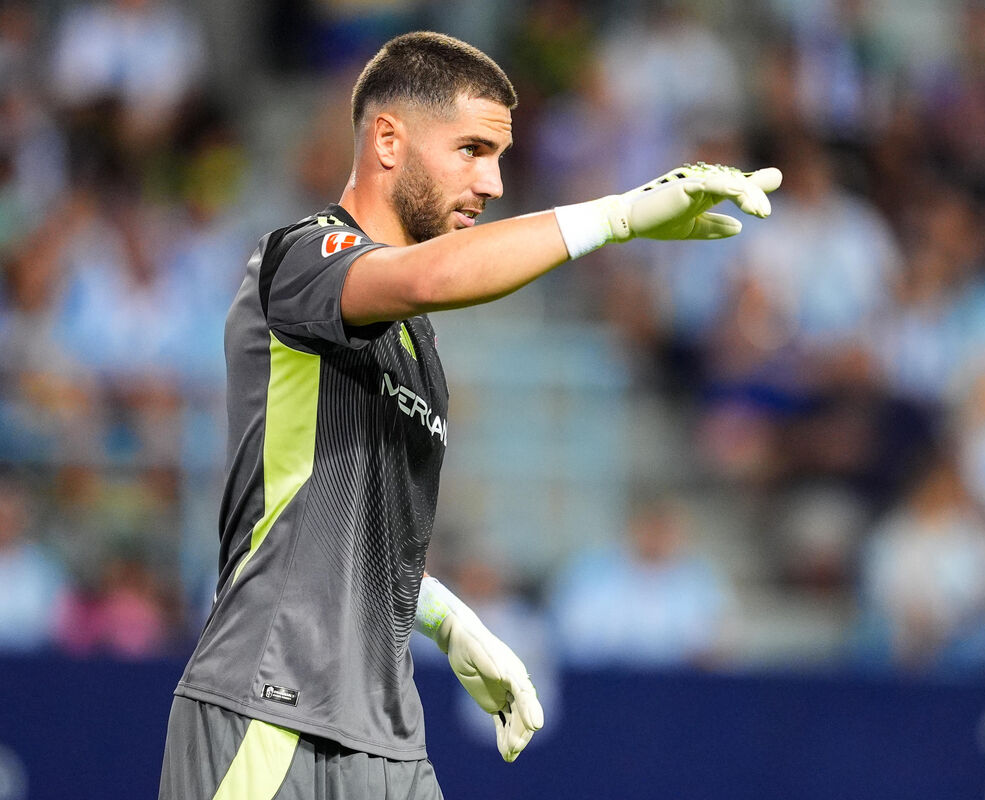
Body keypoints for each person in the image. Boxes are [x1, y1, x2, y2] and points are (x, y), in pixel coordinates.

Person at [158, 30, 780, 800]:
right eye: (472, 151)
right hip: (270, 707)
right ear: (389, 141)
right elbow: (429, 277)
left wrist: (448, 621)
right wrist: (617, 216)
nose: (492, 183)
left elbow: (345, 529)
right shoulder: (299, 258)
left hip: (389, 738)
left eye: (500, 157)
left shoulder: (418, 347)